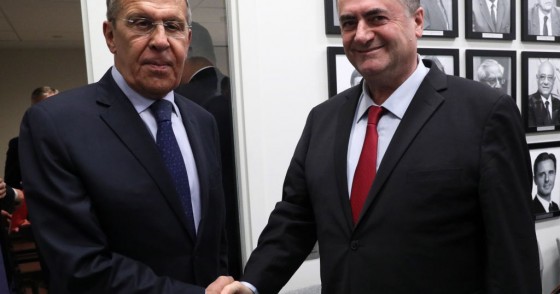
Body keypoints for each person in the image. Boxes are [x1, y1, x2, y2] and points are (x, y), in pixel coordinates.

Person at [221, 0, 541, 293]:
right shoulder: (323, 119)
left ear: (417, 22)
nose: (361, 35)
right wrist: (251, 284)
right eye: (349, 23)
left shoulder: (484, 112)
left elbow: (512, 250)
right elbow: (295, 218)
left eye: (376, 18)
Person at [18, 0, 233, 293]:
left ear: (189, 40)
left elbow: (213, 237)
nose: (160, 40)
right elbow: (76, 266)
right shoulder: (55, 124)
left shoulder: (202, 121)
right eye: (141, 23)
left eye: (173, 26)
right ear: (110, 36)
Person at [527, 61, 560, 127]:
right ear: (537, 78)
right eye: (542, 77)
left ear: (554, 80)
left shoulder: (558, 103)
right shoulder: (528, 102)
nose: (546, 82)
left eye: (550, 77)